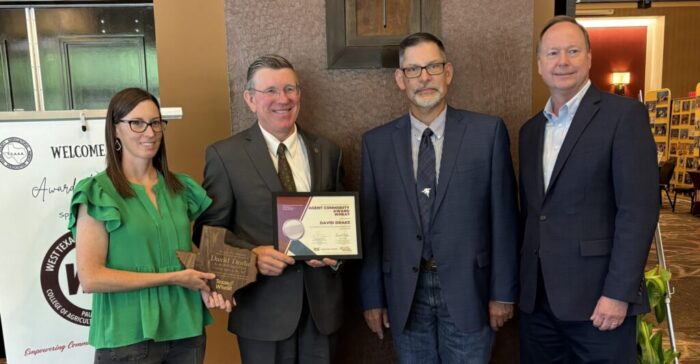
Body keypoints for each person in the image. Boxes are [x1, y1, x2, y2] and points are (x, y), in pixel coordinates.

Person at [359, 32, 519, 363]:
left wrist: (503, 293)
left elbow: (504, 219)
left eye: (433, 66)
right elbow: (371, 231)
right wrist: (372, 298)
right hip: (405, 295)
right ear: (400, 79)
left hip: (470, 291)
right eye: (414, 70)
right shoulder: (376, 144)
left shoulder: (487, 133)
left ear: (448, 73)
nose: (425, 77)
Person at [518, 16, 659, 363]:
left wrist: (618, 293)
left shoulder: (623, 116)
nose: (562, 61)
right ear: (539, 65)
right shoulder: (530, 131)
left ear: (589, 58)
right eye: (552, 53)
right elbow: (535, 215)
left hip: (599, 304)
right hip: (538, 306)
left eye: (572, 51)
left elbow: (638, 211)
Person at [194, 54, 344, 364]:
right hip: (262, 314)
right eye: (271, 91)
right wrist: (252, 258)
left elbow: (341, 222)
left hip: (322, 312)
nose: (283, 99)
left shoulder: (328, 151)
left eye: (290, 89)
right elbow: (208, 234)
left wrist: (337, 254)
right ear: (250, 99)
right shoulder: (225, 156)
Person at [69, 88, 231, 364]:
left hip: (186, 332)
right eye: (137, 123)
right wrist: (172, 278)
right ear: (115, 130)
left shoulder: (181, 188)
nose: (150, 132)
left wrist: (213, 286)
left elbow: (188, 257)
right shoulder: (98, 192)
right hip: (126, 337)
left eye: (156, 122)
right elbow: (91, 277)